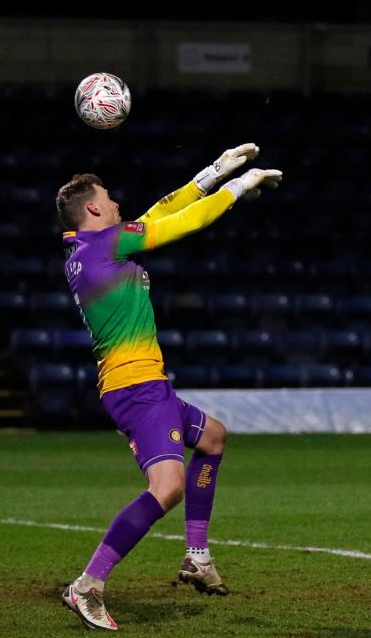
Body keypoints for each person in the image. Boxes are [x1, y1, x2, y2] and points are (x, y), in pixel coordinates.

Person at [55, 144, 283, 631]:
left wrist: (211, 174)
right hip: (137, 387)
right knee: (168, 487)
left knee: (213, 437)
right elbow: (182, 223)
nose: (118, 204)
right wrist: (238, 188)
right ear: (93, 207)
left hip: (140, 384)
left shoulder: (88, 247)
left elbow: (158, 213)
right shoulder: (106, 244)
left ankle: (196, 556)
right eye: (110, 198)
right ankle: (87, 586)